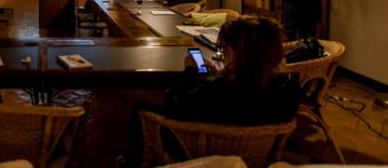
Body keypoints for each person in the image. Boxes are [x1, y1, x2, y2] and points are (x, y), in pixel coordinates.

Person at [123, 16, 301, 166]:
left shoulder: (218, 89)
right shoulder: (287, 88)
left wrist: (190, 72)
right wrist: (220, 76)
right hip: (258, 158)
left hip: (200, 155)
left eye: (223, 48)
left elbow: (174, 104)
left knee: (141, 108)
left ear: (234, 51)